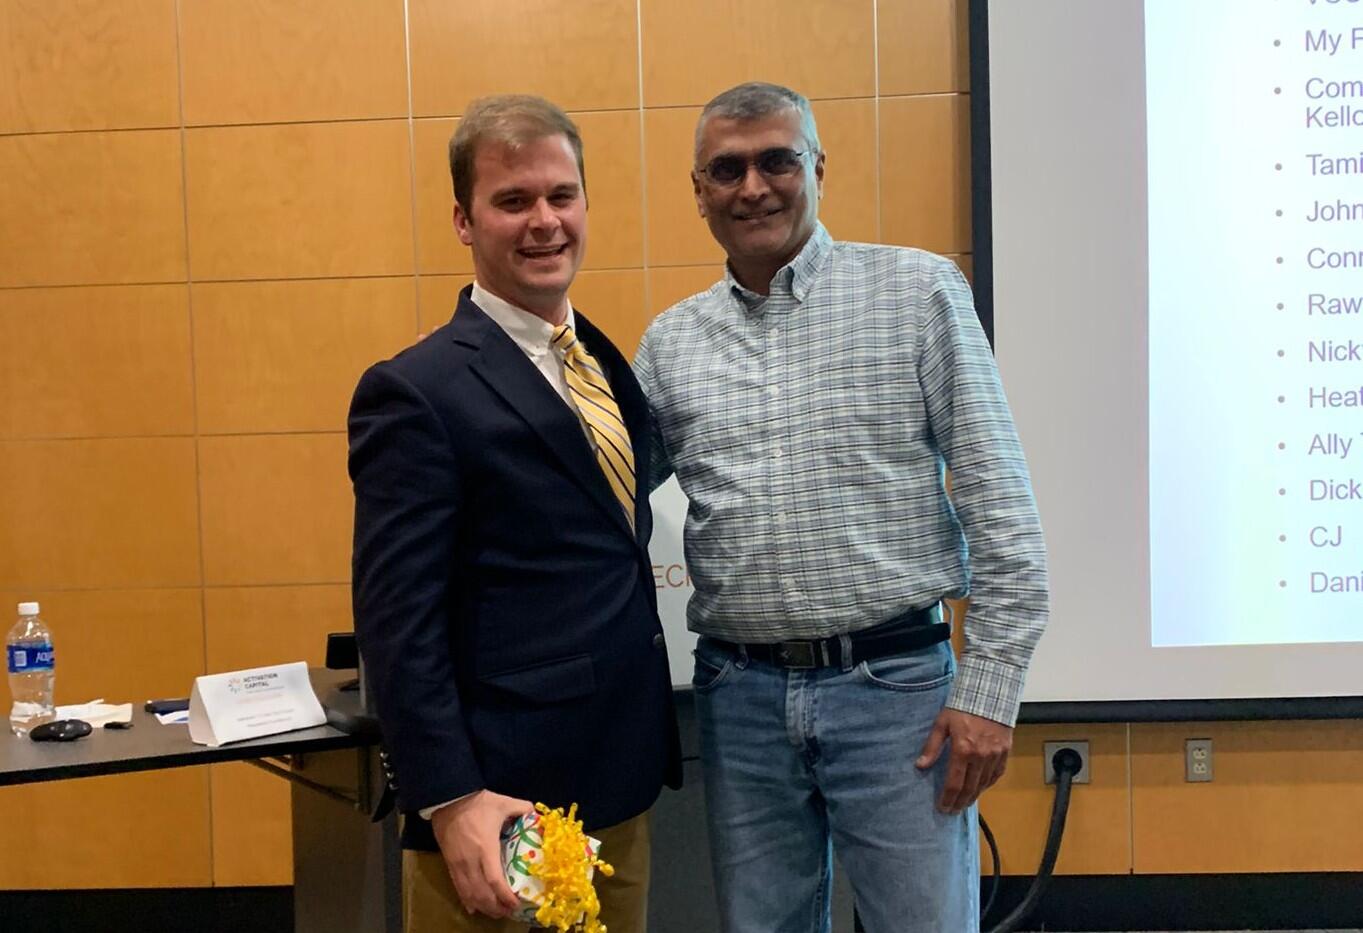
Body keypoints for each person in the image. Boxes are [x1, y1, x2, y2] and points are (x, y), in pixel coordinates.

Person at [632, 82, 1049, 932]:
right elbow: (598, 498)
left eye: (777, 161)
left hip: (897, 693)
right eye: (727, 169)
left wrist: (989, 691)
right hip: (739, 697)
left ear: (818, 168)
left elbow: (1000, 505)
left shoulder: (917, 292)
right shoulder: (668, 343)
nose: (753, 187)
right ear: (699, 192)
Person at [348, 94, 681, 933]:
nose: (544, 221)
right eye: (513, 201)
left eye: (560, 196)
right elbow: (397, 618)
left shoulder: (604, 359)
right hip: (498, 803)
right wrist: (448, 797)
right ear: (464, 220)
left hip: (618, 781)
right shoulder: (415, 390)